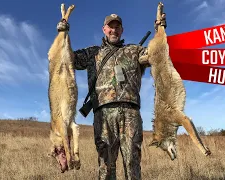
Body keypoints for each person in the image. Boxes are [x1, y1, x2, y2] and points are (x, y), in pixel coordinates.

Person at [57, 13, 166, 180]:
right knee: (106, 165)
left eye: (117, 27)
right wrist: (63, 33)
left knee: (132, 163)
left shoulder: (134, 51)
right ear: (104, 29)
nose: (113, 30)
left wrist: (160, 29)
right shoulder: (93, 53)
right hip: (103, 115)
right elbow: (66, 58)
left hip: (130, 113)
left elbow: (158, 54)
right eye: (110, 26)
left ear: (122, 30)